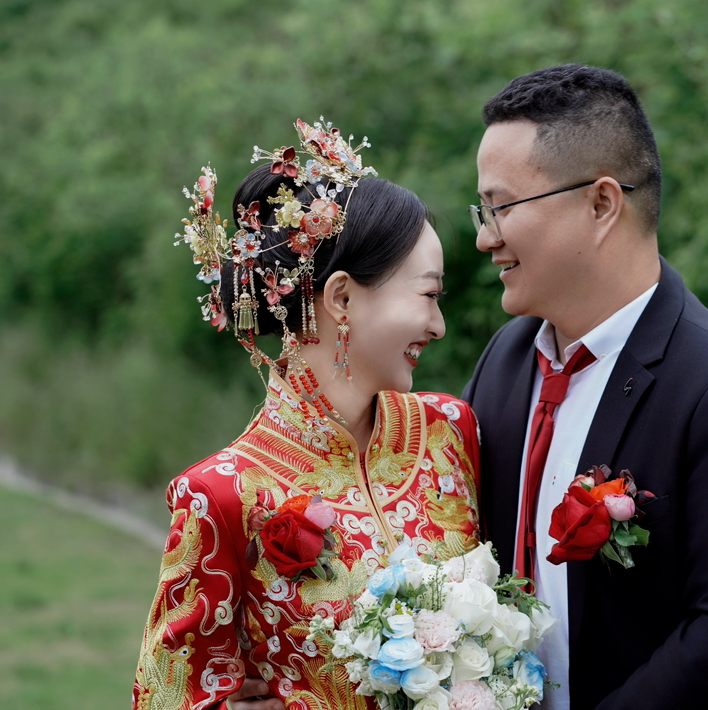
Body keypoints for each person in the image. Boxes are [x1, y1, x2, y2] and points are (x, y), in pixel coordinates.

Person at [462, 65, 708, 709]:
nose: (485, 237)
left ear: (602, 204)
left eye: (502, 207)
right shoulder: (507, 358)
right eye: (483, 210)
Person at [133, 119, 483, 710]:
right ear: (342, 297)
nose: (439, 326)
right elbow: (166, 695)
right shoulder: (223, 495)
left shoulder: (451, 431)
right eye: (428, 295)